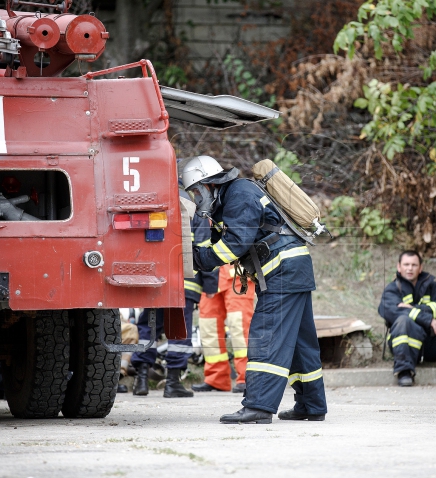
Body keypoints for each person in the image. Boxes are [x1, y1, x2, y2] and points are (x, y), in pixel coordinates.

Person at [182, 155, 327, 424]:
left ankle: (259, 406)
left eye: (196, 191)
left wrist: (198, 259)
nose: (195, 197)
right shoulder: (229, 200)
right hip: (290, 270)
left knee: (266, 336)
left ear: (209, 185)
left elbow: (234, 244)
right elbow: (228, 241)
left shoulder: (239, 193)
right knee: (299, 343)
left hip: (283, 271)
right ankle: (312, 404)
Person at [130, 191, 214, 398]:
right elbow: (205, 249)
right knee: (178, 331)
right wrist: (211, 285)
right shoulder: (194, 209)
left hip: (156, 282)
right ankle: (173, 382)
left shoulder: (153, 203)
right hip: (186, 285)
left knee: (149, 325)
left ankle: (141, 380)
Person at [378, 250, 436, 387]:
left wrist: (413, 309)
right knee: (403, 321)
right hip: (407, 347)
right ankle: (404, 372)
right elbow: (395, 313)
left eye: (414, 265)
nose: (410, 268)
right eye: (406, 264)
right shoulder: (391, 290)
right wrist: (429, 320)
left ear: (420, 268)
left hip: (432, 341)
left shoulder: (432, 286)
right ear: (399, 267)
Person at [192, 264, 254, 394]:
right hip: (209, 276)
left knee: (240, 327)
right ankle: (217, 379)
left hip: (237, 273)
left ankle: (248, 378)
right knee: (208, 327)